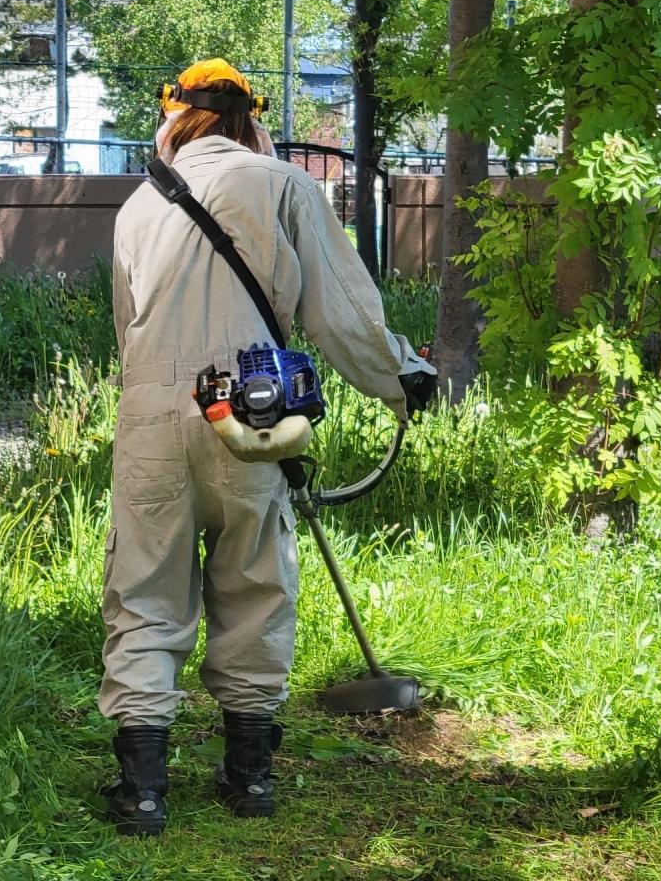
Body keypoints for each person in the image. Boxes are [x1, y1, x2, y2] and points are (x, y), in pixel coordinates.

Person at [101, 59, 435, 834]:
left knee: (145, 588)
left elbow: (127, 322)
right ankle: (248, 777)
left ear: (173, 120)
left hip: (151, 408)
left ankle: (143, 790)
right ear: (250, 119)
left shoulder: (139, 203)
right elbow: (342, 308)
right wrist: (401, 379)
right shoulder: (283, 186)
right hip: (250, 401)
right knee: (256, 580)